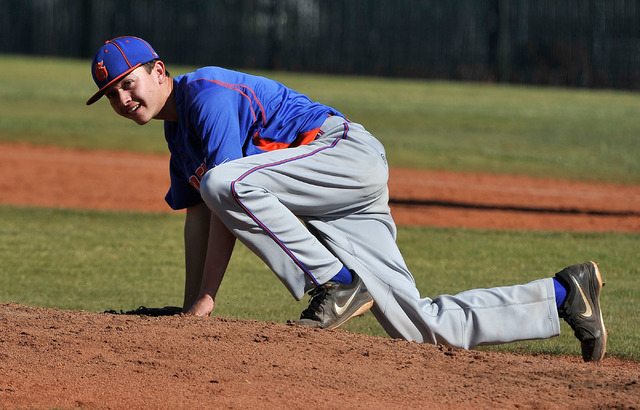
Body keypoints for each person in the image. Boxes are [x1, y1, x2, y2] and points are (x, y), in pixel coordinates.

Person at [86, 36, 607, 362]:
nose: (124, 99)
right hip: (329, 195)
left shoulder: (207, 95)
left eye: (129, 83)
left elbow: (225, 197)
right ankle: (564, 295)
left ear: (159, 71)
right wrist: (192, 306)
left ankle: (337, 283)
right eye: (112, 95)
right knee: (421, 331)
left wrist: (207, 301)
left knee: (227, 183)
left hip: (340, 153)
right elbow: (199, 218)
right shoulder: (176, 137)